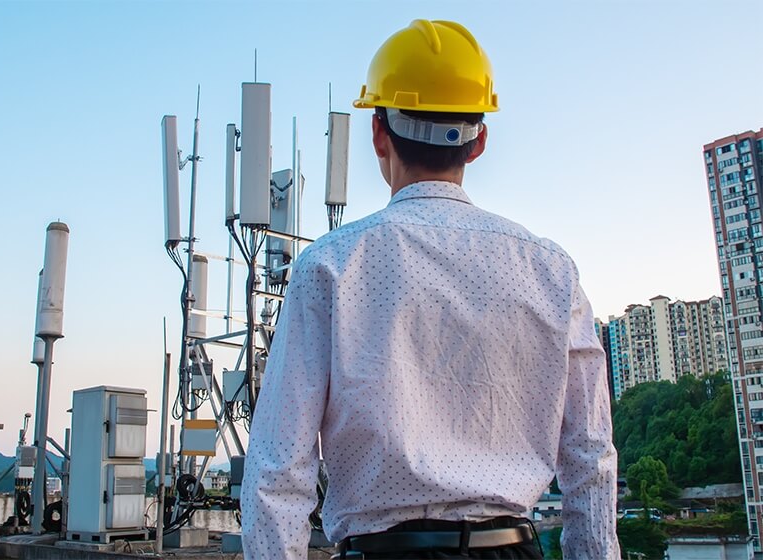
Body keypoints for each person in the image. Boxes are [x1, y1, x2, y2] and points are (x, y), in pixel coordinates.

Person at [241, 19, 620, 559]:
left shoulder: (329, 267)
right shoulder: (551, 272)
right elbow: (590, 459)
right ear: (479, 140)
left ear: (378, 132)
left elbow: (278, 471)